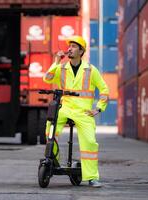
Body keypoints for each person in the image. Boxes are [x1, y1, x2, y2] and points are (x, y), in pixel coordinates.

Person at [43, 35, 109, 188]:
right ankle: (54, 159)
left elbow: (104, 89)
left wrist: (98, 108)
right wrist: (56, 61)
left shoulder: (91, 70)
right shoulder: (61, 68)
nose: (69, 49)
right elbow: (47, 78)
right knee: (49, 131)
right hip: (65, 108)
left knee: (90, 143)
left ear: (81, 51)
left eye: (73, 46)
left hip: (84, 112)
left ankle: (92, 177)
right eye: (69, 46)